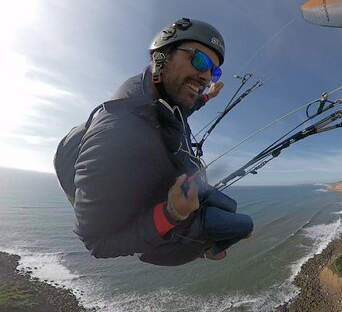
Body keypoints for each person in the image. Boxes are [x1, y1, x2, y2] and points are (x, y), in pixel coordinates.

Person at [54, 17, 253, 266]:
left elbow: (176, 112)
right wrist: (172, 213)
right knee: (244, 225)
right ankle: (204, 248)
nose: (206, 77)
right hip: (164, 222)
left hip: (172, 190)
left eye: (213, 71)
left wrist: (207, 97)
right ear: (161, 57)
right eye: (200, 61)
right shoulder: (117, 139)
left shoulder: (151, 89)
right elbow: (97, 243)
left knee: (229, 206)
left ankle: (206, 233)